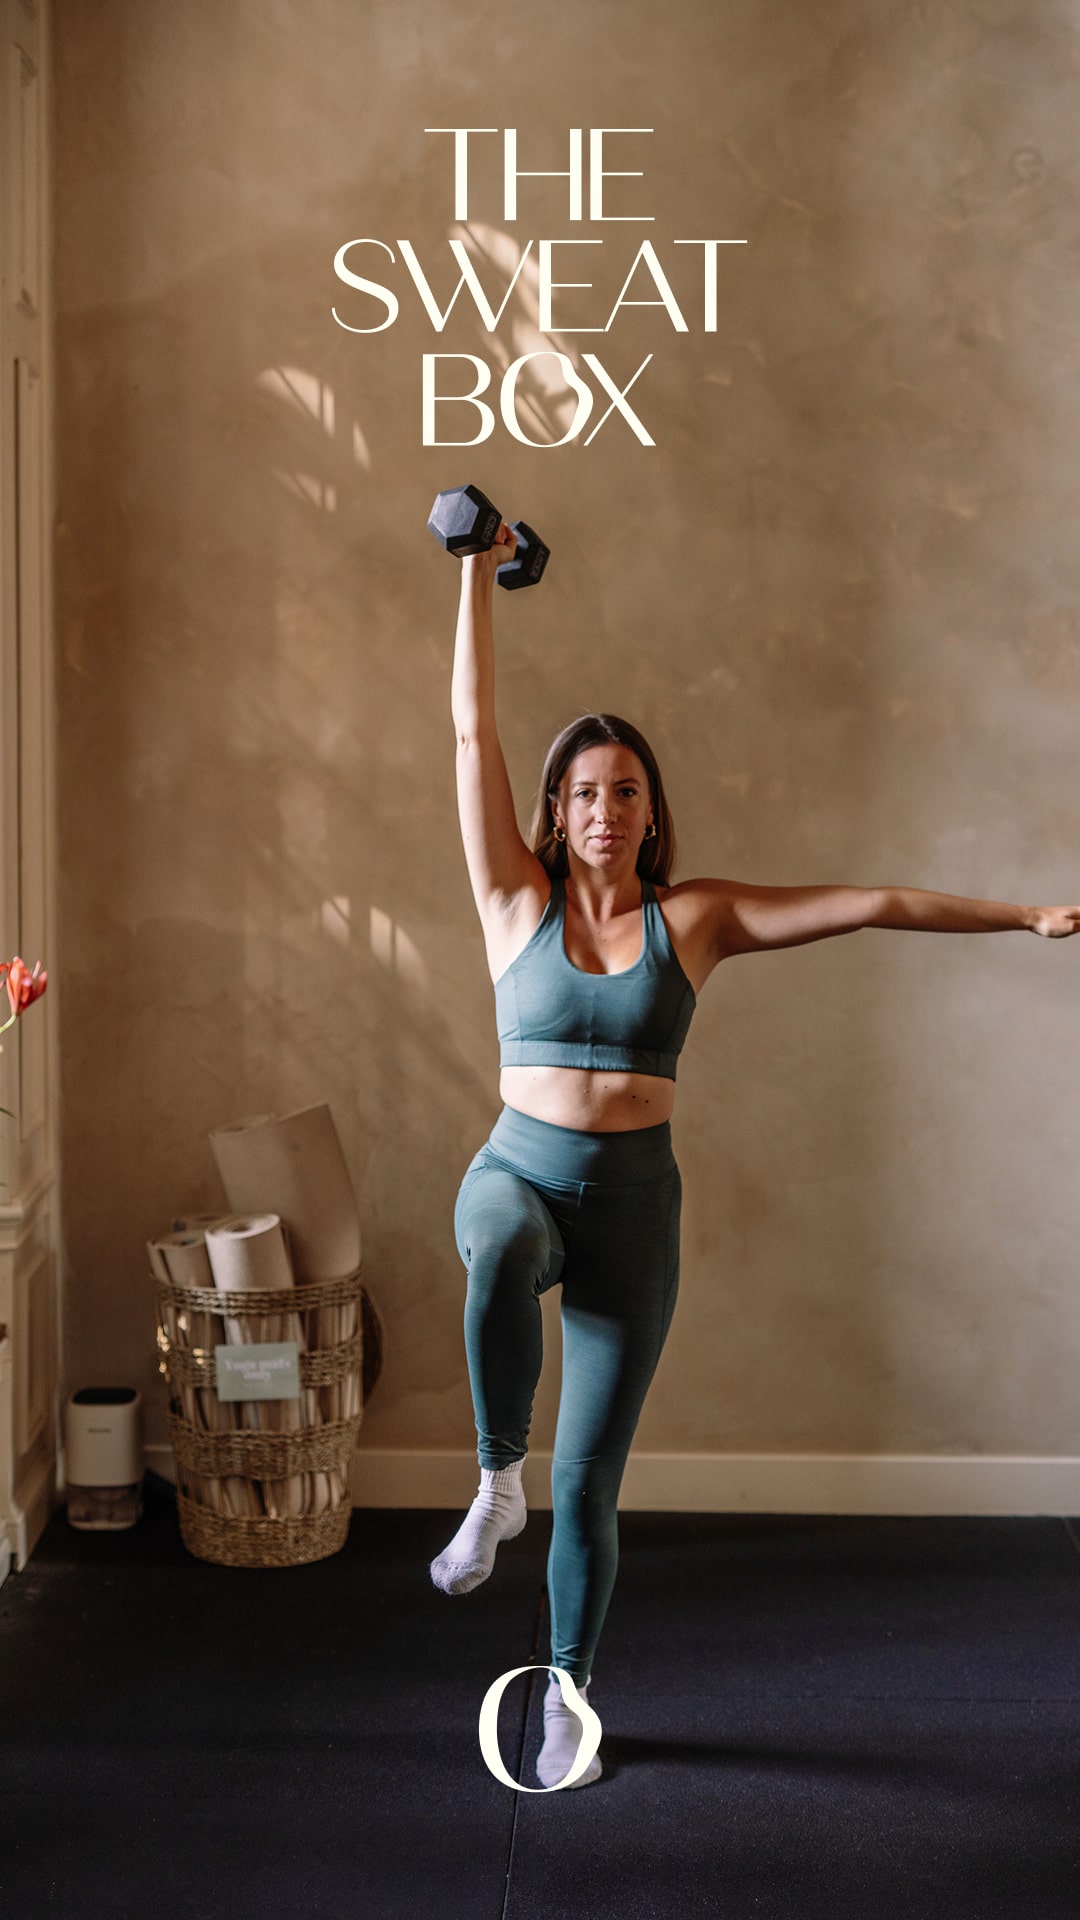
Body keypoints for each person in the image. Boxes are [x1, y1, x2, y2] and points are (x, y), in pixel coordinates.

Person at [429, 519, 1080, 1791]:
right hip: (520, 1173)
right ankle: (495, 1480)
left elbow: (869, 903)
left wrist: (1025, 916)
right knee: (497, 1247)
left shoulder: (698, 917)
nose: (605, 809)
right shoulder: (513, 900)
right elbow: (469, 734)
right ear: (553, 814)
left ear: (651, 809)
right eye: (583, 792)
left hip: (633, 1211)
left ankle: (566, 1692)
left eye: (626, 789)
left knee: (593, 1480)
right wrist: (472, 572)